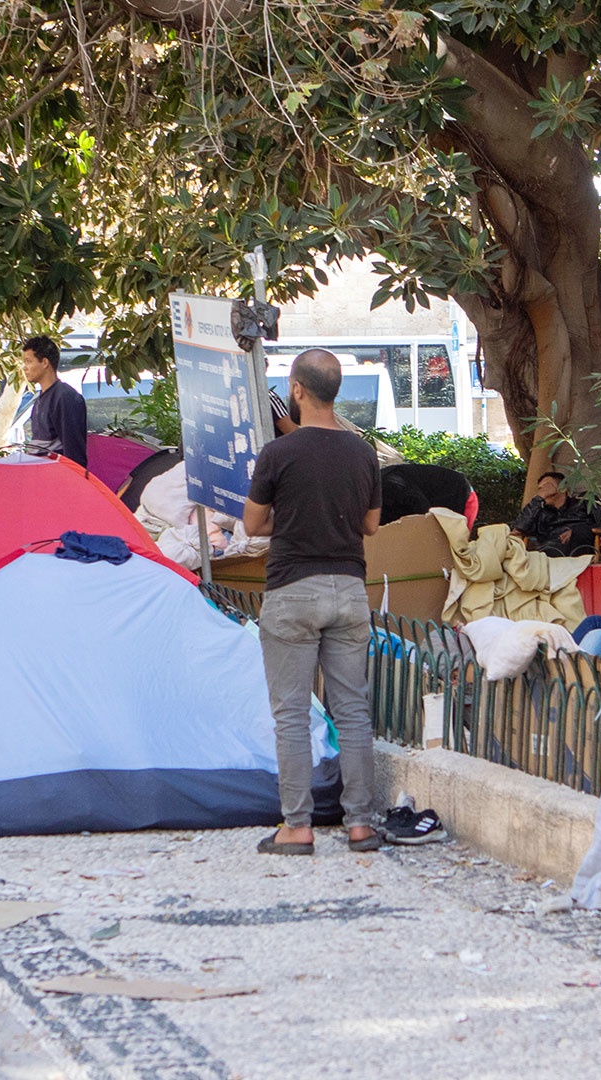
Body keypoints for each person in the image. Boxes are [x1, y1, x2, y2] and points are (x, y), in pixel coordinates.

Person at [242, 349, 384, 855]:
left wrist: (295, 520)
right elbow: (369, 525)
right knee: (353, 711)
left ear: (297, 390)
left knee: (292, 714)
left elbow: (254, 524)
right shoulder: (363, 452)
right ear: (335, 391)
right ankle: (362, 823)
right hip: (348, 590)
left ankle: (297, 826)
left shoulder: (278, 454)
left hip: (292, 592)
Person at [21, 335, 88, 468]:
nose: (24, 367)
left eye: (28, 361)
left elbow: (74, 452)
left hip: (59, 478)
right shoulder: (41, 398)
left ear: (45, 363)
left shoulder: (64, 397)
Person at [512, 472, 601, 557]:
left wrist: (577, 531)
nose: (543, 490)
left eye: (547, 486)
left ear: (563, 488)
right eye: (540, 489)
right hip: (547, 554)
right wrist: (538, 499)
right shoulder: (540, 512)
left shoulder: (584, 501)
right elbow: (520, 527)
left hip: (579, 552)